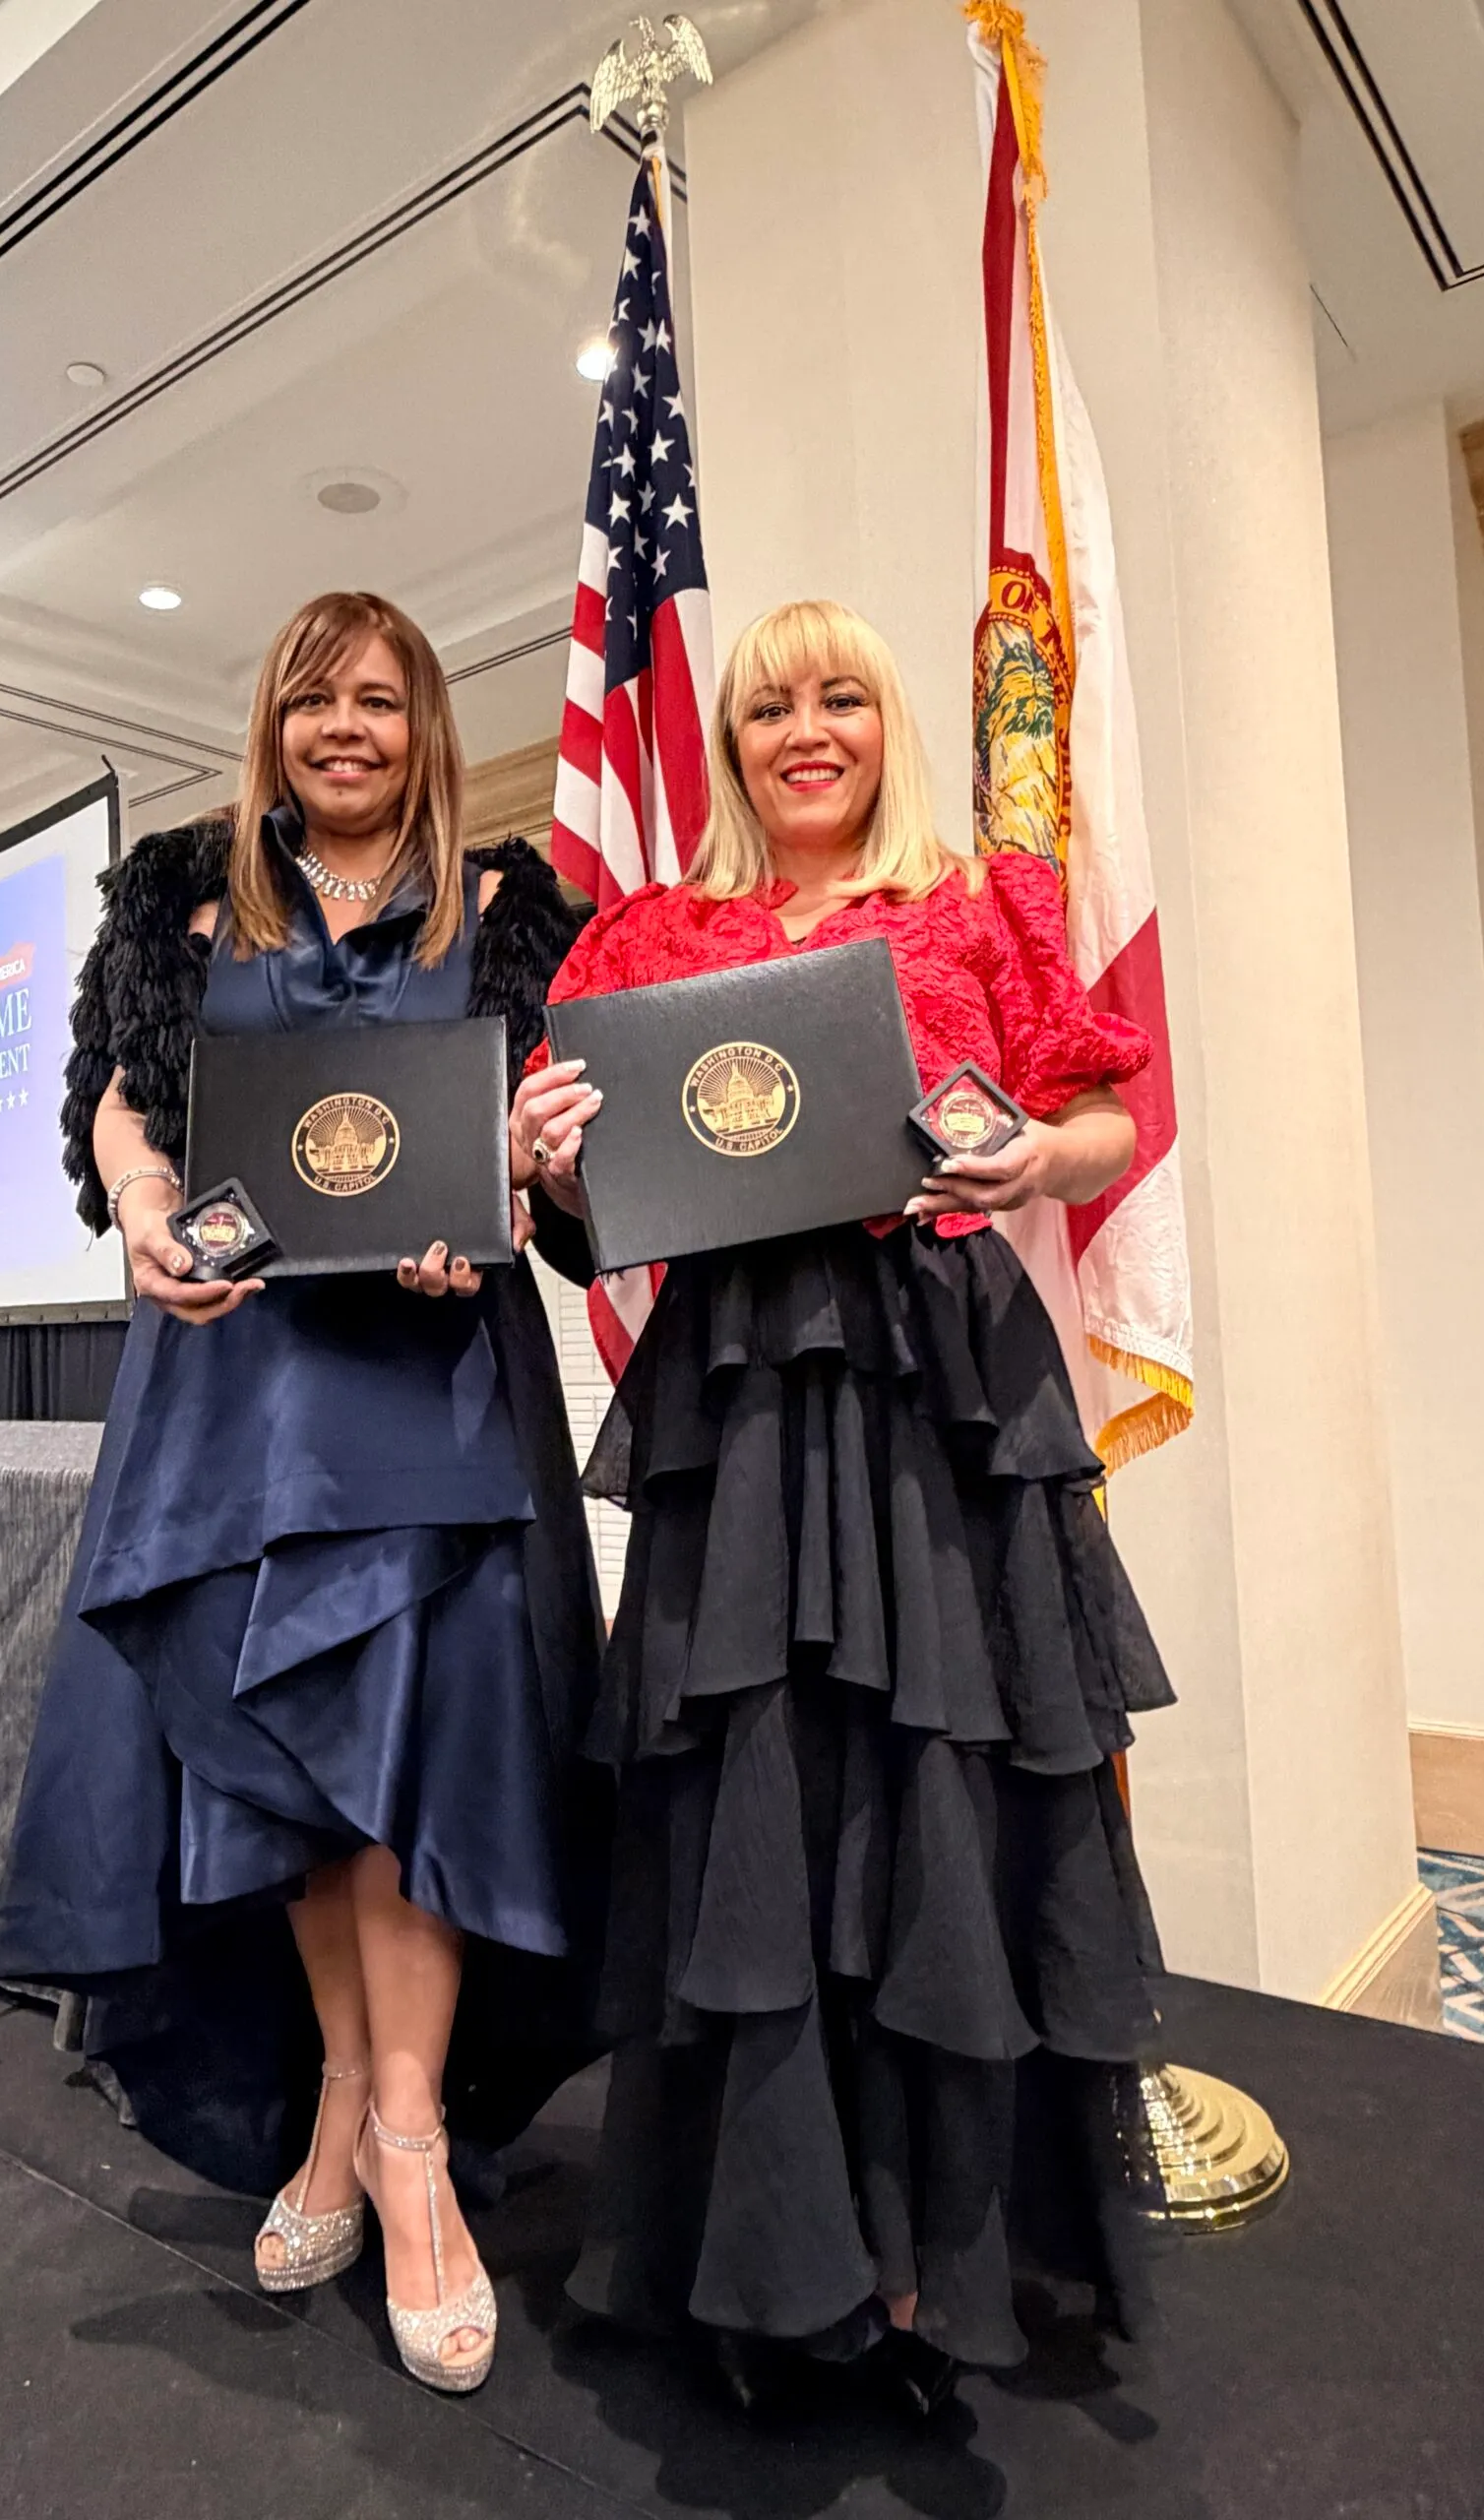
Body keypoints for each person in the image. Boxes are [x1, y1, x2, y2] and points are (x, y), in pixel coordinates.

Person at [515, 598, 1174, 2415]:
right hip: (740, 1399)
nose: (806, 730)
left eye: (842, 699)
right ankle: (772, 2240)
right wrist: (548, 1164)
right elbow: (591, 1211)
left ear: (887, 722)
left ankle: (937, 2255)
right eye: (770, 706)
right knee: (763, 1804)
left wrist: (1041, 1157)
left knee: (934, 1797)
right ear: (730, 741)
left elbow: (1108, 1110)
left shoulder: (975, 906)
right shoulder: (649, 940)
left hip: (934, 1389)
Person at [0, 590, 607, 2396]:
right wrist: (140, 1216)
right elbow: (119, 1114)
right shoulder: (177, 897)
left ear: (427, 727)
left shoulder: (509, 915)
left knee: (409, 1754)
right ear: (270, 721)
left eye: (384, 701)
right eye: (316, 700)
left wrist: (518, 1182)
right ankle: (344, 2096)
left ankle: (408, 2142)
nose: (348, 729)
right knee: (289, 1760)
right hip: (236, 1397)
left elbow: (555, 1190)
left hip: (427, 1395)